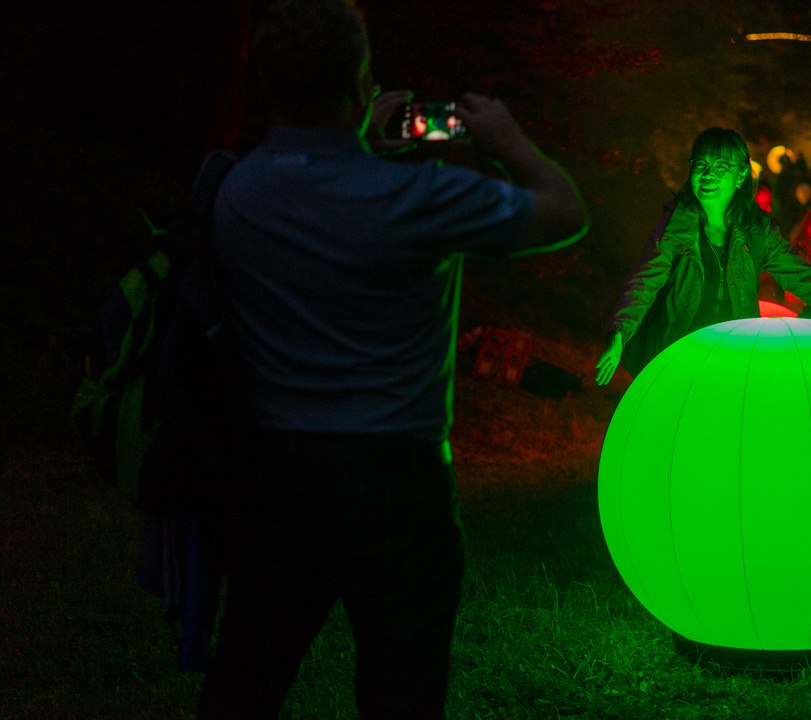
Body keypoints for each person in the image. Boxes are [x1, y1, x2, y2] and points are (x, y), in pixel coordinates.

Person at [196, 0, 588, 717]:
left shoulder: (235, 191)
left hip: (277, 477)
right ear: (360, 85)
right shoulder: (419, 197)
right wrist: (507, 140)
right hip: (398, 485)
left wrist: (355, 142)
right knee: (402, 691)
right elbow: (563, 211)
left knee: (247, 680)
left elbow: (320, 193)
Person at [595, 127, 811, 385]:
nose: (708, 175)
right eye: (700, 165)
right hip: (679, 354)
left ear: (741, 175)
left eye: (720, 167)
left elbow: (809, 284)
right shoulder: (675, 226)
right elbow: (644, 281)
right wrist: (620, 332)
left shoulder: (757, 231)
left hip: (733, 355)